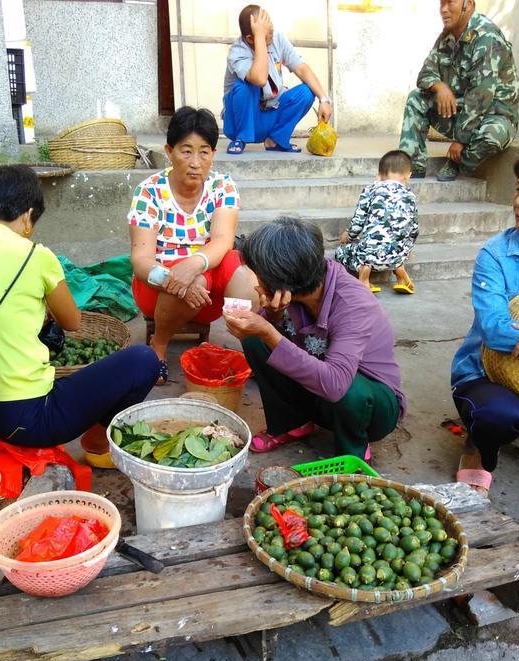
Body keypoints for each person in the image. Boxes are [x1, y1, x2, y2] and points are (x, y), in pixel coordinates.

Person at [0, 165, 159, 466]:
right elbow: (73, 323)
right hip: (28, 420)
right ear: (27, 215)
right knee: (144, 360)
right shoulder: (36, 257)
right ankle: (97, 439)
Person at [223, 218, 406, 459]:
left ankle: (353, 451)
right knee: (255, 338)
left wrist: (269, 331)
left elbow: (335, 384)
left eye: (259, 276)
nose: (256, 283)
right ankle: (292, 423)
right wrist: (273, 317)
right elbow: (276, 337)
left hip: (372, 408)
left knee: (350, 389)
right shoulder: (299, 285)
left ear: (281, 278)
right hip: (319, 394)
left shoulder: (354, 304)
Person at [128, 106, 257, 383]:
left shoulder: (222, 186)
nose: (196, 162)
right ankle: (159, 347)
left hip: (209, 289)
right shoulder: (149, 192)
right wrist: (173, 278)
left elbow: (223, 240)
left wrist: (194, 264)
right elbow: (141, 260)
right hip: (157, 288)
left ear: (213, 154)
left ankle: (251, 345)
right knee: (193, 282)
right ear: (169, 151)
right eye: (186, 151)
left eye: (204, 151)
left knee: (244, 274)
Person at [450, 155, 519, 496]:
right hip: (483, 375)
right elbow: (496, 329)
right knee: (497, 415)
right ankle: (479, 450)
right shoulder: (496, 254)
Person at [398, 0, 518, 183]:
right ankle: (412, 166)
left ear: (468, 4)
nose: (444, 10)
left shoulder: (487, 38)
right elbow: (424, 75)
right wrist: (440, 87)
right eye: (441, 4)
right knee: (417, 98)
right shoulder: (447, 36)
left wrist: (460, 141)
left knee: (491, 137)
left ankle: (458, 162)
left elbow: (480, 97)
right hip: (461, 110)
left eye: (450, 2)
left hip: (495, 116)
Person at [222, 4, 332, 155]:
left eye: (271, 29)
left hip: (269, 114)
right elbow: (259, 79)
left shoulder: (278, 39)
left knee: (307, 92)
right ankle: (241, 139)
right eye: (267, 33)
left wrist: (324, 100)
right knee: (245, 85)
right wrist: (260, 38)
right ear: (250, 38)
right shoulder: (237, 52)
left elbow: (301, 68)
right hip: (241, 121)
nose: (272, 35)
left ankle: (275, 140)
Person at [335, 150, 419, 295]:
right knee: (396, 249)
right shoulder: (410, 196)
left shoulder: (371, 189)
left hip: (370, 255)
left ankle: (363, 272)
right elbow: (414, 229)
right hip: (397, 255)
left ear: (378, 174)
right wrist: (406, 250)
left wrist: (348, 236)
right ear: (408, 175)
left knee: (340, 252)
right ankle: (399, 271)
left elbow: (358, 222)